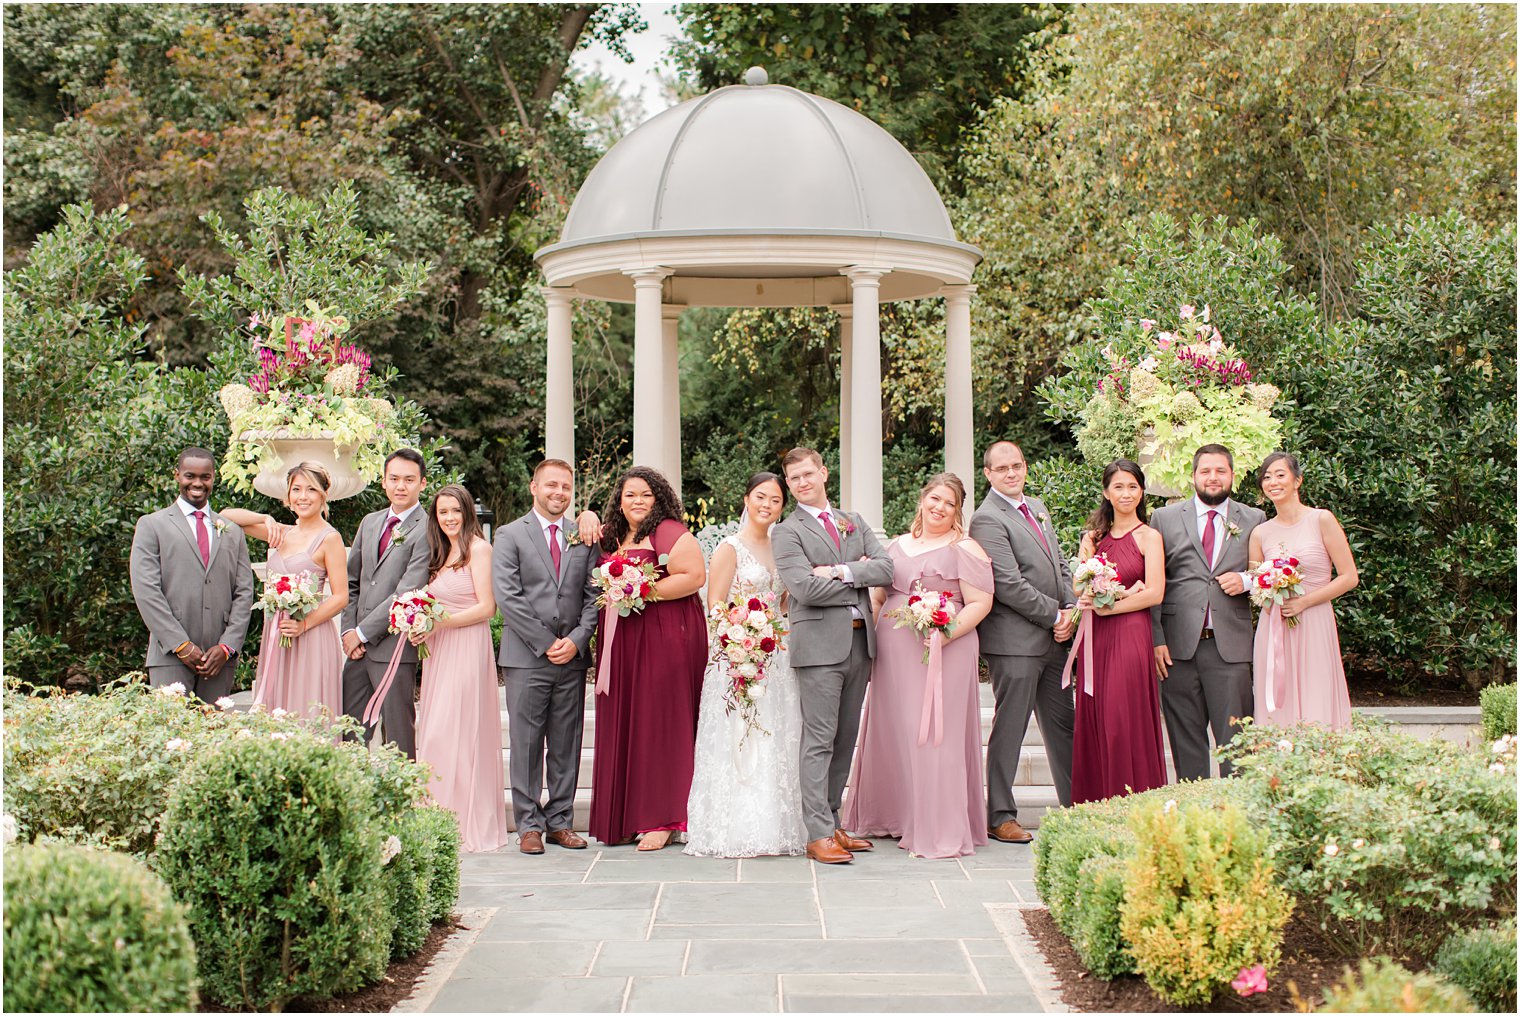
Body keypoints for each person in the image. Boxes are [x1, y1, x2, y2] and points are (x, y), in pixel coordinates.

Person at [842, 474, 994, 859]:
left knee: (933, 735)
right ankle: (898, 816)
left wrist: (947, 633)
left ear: (958, 510)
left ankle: (938, 827)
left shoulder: (966, 547)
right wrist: (872, 645)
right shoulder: (894, 547)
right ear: (922, 499)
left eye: (949, 503)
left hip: (945, 650)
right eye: (934, 499)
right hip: (895, 654)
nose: (939, 508)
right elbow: (877, 599)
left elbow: (980, 603)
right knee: (896, 731)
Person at [772, 447, 895, 865]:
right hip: (819, 650)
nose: (802, 483)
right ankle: (818, 833)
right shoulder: (786, 532)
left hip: (861, 644)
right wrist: (857, 576)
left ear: (824, 472)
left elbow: (886, 569)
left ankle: (834, 821)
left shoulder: (853, 521)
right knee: (819, 740)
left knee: (845, 739)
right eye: (794, 479)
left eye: (808, 474)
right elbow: (804, 590)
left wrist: (840, 571)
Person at [685, 473, 809, 858]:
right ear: (746, 498)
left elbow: (785, 602)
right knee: (739, 736)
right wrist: (742, 646)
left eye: (775, 500)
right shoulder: (729, 548)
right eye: (760, 497)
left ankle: (775, 826)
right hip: (738, 656)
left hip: (779, 656)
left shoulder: (783, 546)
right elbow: (716, 607)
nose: (767, 505)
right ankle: (733, 828)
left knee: (777, 736)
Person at [588, 466, 708, 850]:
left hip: (662, 638)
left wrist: (640, 589)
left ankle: (664, 817)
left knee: (660, 723)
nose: (637, 502)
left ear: (659, 499)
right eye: (629, 495)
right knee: (628, 719)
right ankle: (624, 816)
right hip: (622, 642)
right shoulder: (612, 534)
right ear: (618, 501)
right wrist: (585, 514)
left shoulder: (668, 530)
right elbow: (583, 530)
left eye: (645, 495)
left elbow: (694, 576)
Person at [969, 441, 1078, 845]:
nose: (1011, 473)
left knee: (1063, 727)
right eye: (1002, 469)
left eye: (1016, 466)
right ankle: (1000, 815)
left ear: (1025, 467)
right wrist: (1054, 615)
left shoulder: (1037, 507)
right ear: (988, 474)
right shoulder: (986, 519)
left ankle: (1075, 806)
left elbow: (1060, 562)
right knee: (1010, 727)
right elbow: (1008, 583)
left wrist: (1069, 607)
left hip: (1054, 639)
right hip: (1014, 642)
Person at [493, 459, 600, 855]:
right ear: (533, 486)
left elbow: (594, 596)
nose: (559, 492)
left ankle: (560, 822)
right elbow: (508, 595)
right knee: (525, 743)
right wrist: (544, 641)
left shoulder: (583, 536)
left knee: (566, 742)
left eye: (566, 487)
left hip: (571, 658)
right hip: (526, 657)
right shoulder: (509, 535)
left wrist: (575, 640)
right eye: (551, 485)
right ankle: (528, 825)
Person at [1149, 444, 1266, 780]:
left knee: (1236, 742)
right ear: (1194, 476)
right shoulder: (1165, 519)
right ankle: (1193, 813)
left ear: (1232, 475)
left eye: (1220, 471)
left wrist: (1244, 580)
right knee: (1185, 742)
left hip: (1229, 647)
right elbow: (1155, 582)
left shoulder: (1254, 519)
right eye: (1206, 471)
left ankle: (1237, 815)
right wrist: (1156, 638)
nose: (1213, 478)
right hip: (1177, 649)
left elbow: (1271, 572)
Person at [411, 484, 509, 853]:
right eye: (442, 513)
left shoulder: (480, 550)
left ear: (467, 512)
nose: (449, 518)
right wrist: (421, 625)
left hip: (467, 649)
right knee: (436, 734)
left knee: (458, 732)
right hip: (440, 653)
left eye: (455, 511)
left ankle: (465, 822)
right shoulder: (441, 554)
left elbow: (488, 608)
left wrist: (439, 623)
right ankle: (440, 819)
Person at [1069, 459, 1168, 804]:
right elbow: (1080, 589)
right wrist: (1091, 597)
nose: (1126, 494)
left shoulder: (1149, 537)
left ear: (1141, 492)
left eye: (1132, 487)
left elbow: (1155, 593)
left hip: (1130, 636)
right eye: (1118, 487)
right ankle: (1096, 805)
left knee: (1122, 720)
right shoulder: (1092, 538)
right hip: (1096, 640)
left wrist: (1106, 607)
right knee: (1096, 717)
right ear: (1106, 493)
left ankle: (1133, 801)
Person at [221, 463, 347, 720]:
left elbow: (340, 596)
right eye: (296, 489)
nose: (303, 496)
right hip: (277, 634)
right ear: (287, 496)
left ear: (324, 494)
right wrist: (264, 519)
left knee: (307, 708)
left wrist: (304, 625)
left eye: (311, 489)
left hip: (310, 634)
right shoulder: (281, 533)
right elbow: (224, 516)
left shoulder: (329, 538)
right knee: (277, 710)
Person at [129, 447, 254, 703]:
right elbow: (146, 591)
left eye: (204, 477)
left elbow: (244, 592)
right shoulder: (152, 525)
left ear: (213, 478)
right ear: (177, 476)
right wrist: (181, 645)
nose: (197, 483)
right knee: (171, 737)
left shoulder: (232, 531)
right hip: (170, 656)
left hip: (218, 660)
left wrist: (227, 646)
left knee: (213, 736)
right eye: (189, 476)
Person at [1250, 452, 1358, 730]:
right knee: (1276, 701)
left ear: (1298, 480)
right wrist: (1269, 590)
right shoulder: (1260, 533)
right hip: (1275, 626)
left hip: (1314, 621)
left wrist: (1304, 602)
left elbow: (1349, 577)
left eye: (1280, 474)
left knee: (1316, 694)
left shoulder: (1321, 519)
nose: (1272, 481)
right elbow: (1255, 583)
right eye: (1266, 477)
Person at [340, 448, 432, 758]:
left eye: (409, 479)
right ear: (383, 481)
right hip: (356, 649)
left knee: (397, 734)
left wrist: (362, 633)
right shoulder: (370, 522)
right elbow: (351, 581)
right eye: (394, 479)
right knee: (350, 730)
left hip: (394, 647)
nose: (400, 486)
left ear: (422, 483)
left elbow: (406, 592)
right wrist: (348, 632)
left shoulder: (427, 528)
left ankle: (404, 803)